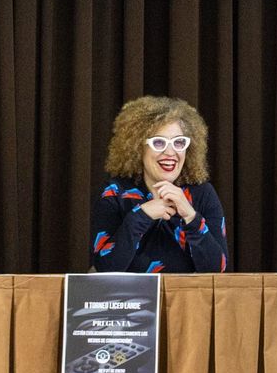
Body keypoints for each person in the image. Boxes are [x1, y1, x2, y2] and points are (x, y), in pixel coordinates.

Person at [90, 95, 229, 273]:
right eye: (158, 142)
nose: (170, 152)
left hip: (187, 299)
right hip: (132, 299)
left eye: (178, 142)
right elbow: (104, 270)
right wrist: (141, 215)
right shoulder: (115, 193)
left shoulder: (203, 193)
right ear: (138, 147)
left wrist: (190, 216)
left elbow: (218, 271)